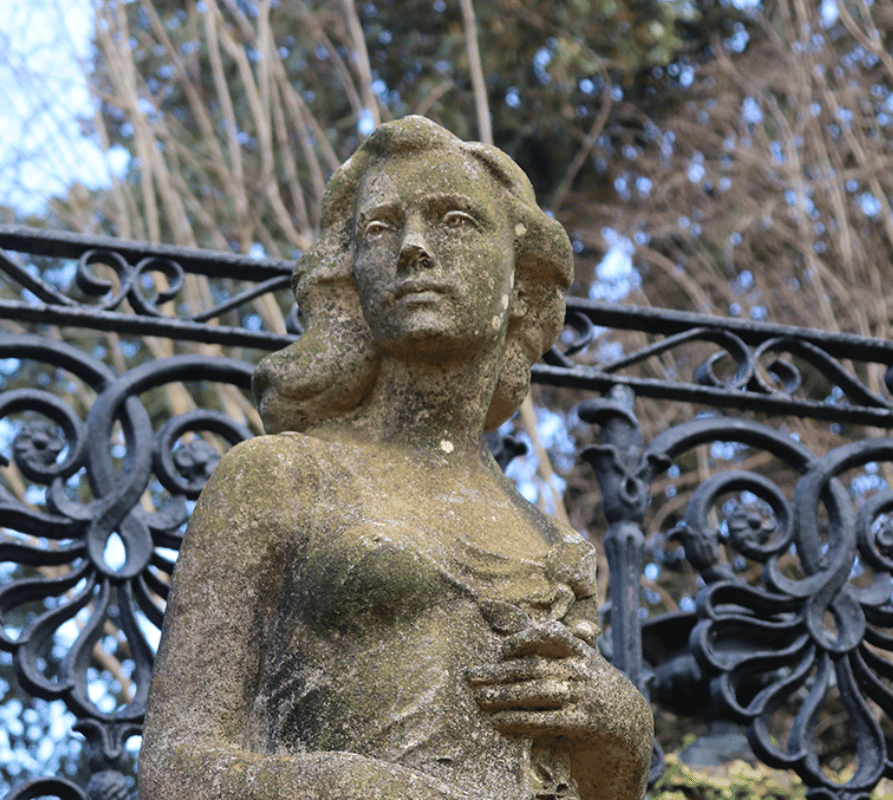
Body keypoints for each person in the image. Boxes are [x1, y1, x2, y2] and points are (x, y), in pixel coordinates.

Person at [139, 116, 652, 800]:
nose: (413, 247)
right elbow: (173, 769)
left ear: (522, 282)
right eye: (379, 229)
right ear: (349, 275)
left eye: (455, 220)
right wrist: (350, 789)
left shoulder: (550, 542)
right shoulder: (279, 478)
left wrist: (625, 733)